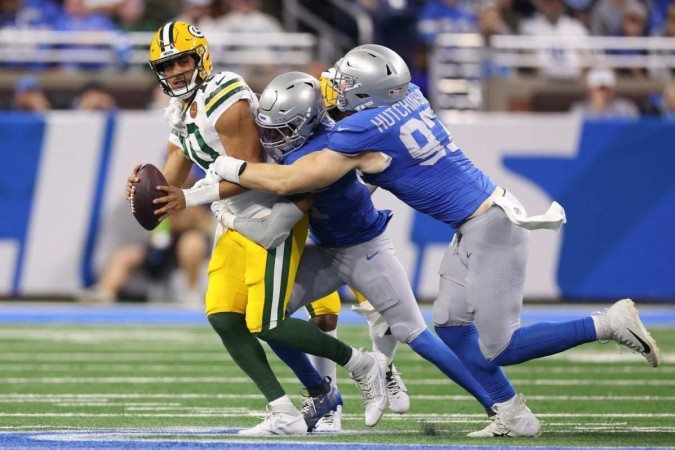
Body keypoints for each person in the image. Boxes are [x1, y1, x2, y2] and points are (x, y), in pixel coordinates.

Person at [208, 44, 663, 436]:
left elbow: (294, 181)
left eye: (345, 84)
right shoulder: (412, 96)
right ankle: (511, 412)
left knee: (500, 346)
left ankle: (606, 324)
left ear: (366, 95)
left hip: (491, 228)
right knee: (448, 324)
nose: (335, 88)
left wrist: (230, 170)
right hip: (476, 222)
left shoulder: (362, 129)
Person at [211, 70, 527, 437]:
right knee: (267, 317)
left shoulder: (320, 152)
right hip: (327, 248)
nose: (272, 138)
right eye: (269, 128)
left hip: (366, 251)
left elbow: (272, 226)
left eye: (282, 129)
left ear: (308, 120)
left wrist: (221, 200)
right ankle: (328, 388)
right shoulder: (316, 142)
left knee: (417, 334)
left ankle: (496, 405)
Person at [130, 21, 388, 436]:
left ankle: (362, 364)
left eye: (181, 60)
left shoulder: (225, 97)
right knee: (222, 316)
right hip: (232, 216)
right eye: (166, 64)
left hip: (271, 213)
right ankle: (286, 408)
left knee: (267, 322)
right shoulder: (180, 109)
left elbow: (253, 171)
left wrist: (188, 198)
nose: (175, 71)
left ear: (200, 57)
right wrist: (147, 186)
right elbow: (172, 178)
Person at [570, 67, 640, 118]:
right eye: (599, 89)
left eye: (606, 89)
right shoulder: (580, 109)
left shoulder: (625, 108)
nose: (603, 93)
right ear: (590, 90)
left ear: (612, 90)